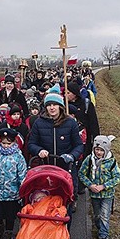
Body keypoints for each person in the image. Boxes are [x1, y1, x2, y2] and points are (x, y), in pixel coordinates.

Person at [27, 84, 84, 219]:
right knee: (46, 200)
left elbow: (79, 145)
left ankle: (65, 228)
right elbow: (31, 144)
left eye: (55, 105)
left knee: (65, 202)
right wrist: (39, 150)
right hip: (45, 167)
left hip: (65, 167)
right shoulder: (39, 123)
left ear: (60, 107)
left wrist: (72, 156)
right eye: (49, 105)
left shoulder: (70, 123)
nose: (52, 108)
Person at [78, 135, 120, 239]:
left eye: (101, 150)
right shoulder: (89, 160)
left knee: (104, 215)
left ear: (106, 150)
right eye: (97, 149)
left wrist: (104, 186)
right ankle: (100, 229)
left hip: (107, 195)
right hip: (94, 195)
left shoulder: (111, 162)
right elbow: (81, 174)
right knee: (97, 216)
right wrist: (90, 185)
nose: (99, 152)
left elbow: (118, 177)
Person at [0, 127, 27, 239]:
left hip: (12, 193)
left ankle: (8, 235)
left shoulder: (18, 157)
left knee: (10, 217)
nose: (5, 146)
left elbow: (22, 174)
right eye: (3, 143)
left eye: (8, 143)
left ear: (14, 143)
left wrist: (23, 190)